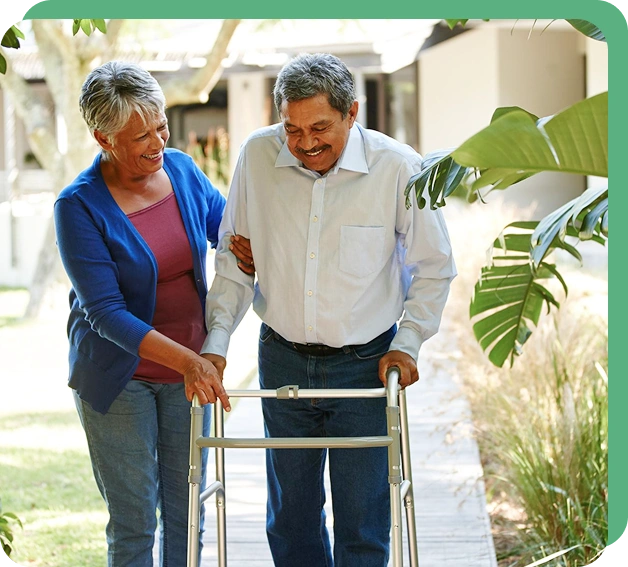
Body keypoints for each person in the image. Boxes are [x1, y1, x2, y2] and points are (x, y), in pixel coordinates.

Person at [200, 52, 457, 566]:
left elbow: (435, 266)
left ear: (352, 112)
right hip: (283, 359)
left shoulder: (398, 168)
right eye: (292, 129)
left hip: (365, 365)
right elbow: (235, 261)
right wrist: (217, 344)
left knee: (363, 520)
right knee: (290, 519)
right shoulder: (257, 157)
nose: (306, 143)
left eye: (320, 127)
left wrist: (407, 345)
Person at [54, 61, 253, 567]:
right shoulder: (78, 207)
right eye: (140, 135)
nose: (157, 141)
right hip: (122, 377)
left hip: (191, 372)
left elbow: (223, 224)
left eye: (161, 124)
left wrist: (242, 244)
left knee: (188, 516)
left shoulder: (182, 170)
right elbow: (105, 313)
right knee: (136, 522)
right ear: (104, 137)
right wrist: (189, 361)